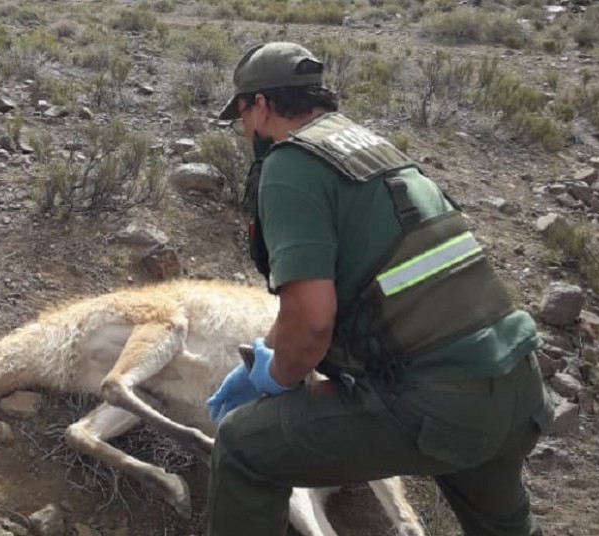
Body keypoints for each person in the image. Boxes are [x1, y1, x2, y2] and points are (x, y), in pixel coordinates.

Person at [205, 41, 554, 536]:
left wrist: (275, 379)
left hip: (439, 403)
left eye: (241, 115)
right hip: (515, 384)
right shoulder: (375, 149)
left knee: (244, 447)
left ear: (259, 105)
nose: (243, 131)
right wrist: (266, 351)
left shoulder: (289, 166)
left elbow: (312, 322)